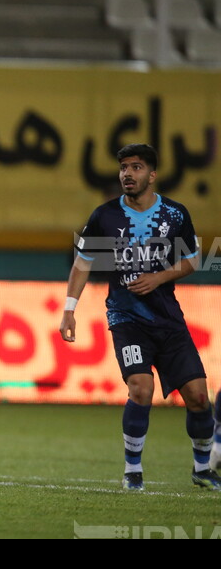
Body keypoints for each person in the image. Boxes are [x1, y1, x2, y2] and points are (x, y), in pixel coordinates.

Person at [59, 142, 220, 492]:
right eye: (123, 168)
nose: (127, 174)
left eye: (135, 168)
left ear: (152, 174)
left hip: (168, 319)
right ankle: (133, 471)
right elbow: (83, 263)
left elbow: (193, 258)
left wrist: (159, 278)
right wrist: (69, 309)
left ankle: (202, 469)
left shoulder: (175, 214)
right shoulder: (105, 216)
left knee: (197, 396)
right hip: (126, 317)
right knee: (140, 388)